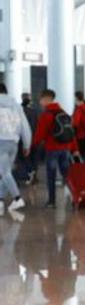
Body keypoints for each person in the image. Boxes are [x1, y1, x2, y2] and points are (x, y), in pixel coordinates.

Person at [31, 90, 78, 210]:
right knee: (67, 175)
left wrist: (33, 145)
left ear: (46, 99)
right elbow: (71, 133)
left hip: (52, 149)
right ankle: (75, 198)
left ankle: (52, 201)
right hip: (66, 149)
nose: (40, 102)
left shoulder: (46, 115)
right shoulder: (63, 113)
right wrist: (74, 148)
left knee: (51, 175)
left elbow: (40, 134)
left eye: (41, 99)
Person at [0, 85, 31, 214]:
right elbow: (25, 126)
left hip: (1, 141)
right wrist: (26, 144)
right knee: (6, 173)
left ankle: (17, 198)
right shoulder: (16, 106)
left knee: (5, 172)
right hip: (14, 143)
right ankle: (0, 200)